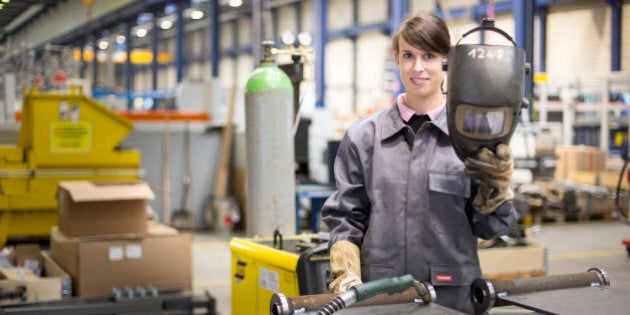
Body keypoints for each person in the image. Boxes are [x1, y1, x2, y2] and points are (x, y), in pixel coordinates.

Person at [321, 12, 518, 314]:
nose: (417, 68)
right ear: (396, 59)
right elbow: (346, 217)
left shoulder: (471, 137)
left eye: (429, 55)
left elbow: (490, 228)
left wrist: (496, 192)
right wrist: (345, 269)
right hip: (380, 294)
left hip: (452, 297)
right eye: (408, 55)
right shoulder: (364, 137)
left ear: (447, 61)